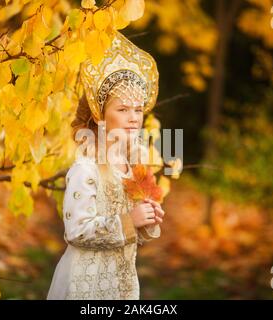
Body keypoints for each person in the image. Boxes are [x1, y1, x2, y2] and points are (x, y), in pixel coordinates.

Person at [47, 32, 164, 300]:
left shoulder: (133, 166)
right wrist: (128, 220)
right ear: (101, 115)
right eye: (123, 110)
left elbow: (132, 229)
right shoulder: (86, 168)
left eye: (138, 109)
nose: (134, 118)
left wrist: (146, 220)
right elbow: (76, 230)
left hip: (121, 284)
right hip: (85, 285)